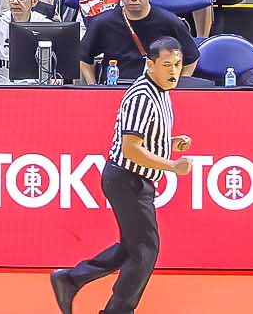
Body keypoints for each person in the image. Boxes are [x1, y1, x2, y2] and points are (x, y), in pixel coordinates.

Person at [49, 37, 193, 314]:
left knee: (131, 249)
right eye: (167, 65)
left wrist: (169, 141)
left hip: (134, 179)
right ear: (150, 65)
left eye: (177, 64)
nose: (174, 71)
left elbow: (144, 138)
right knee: (146, 251)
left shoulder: (160, 90)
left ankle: (70, 279)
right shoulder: (142, 96)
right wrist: (172, 165)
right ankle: (117, 310)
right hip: (127, 179)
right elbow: (130, 149)